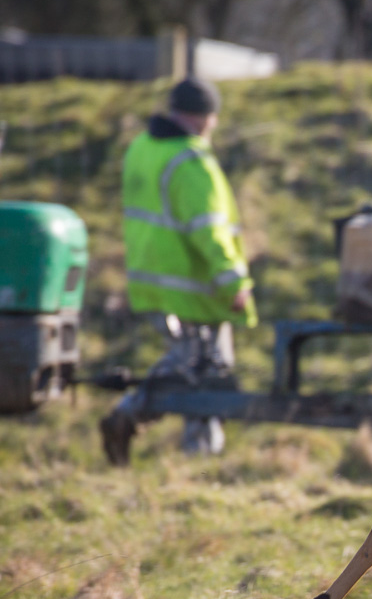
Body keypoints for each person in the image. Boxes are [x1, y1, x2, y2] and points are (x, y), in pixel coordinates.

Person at [100, 77, 256, 463]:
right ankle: (192, 455)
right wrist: (234, 282)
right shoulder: (191, 161)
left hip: (150, 279)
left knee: (187, 364)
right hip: (192, 288)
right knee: (206, 371)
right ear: (206, 119)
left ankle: (135, 419)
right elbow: (209, 231)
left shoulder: (142, 148)